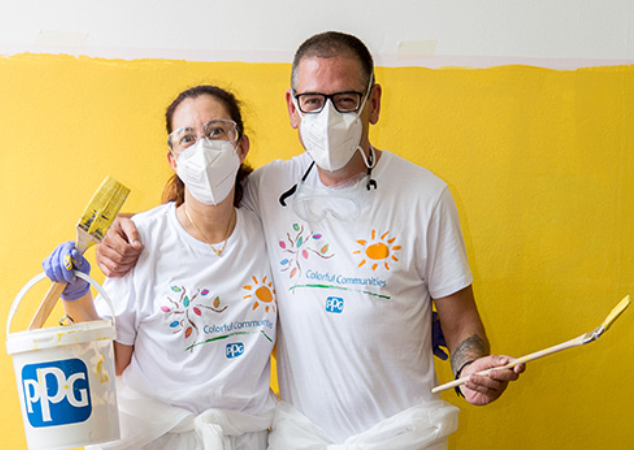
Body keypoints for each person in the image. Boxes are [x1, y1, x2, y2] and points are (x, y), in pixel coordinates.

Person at [97, 32, 525, 449]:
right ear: (293, 107)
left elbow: (461, 319)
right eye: (313, 101)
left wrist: (471, 365)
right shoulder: (271, 188)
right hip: (301, 437)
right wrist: (125, 229)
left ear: (373, 103)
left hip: (404, 436)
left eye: (344, 101)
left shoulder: (426, 197)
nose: (327, 117)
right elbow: (198, 209)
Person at [43, 85, 278, 450]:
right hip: (156, 439)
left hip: (248, 437)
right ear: (173, 159)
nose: (203, 147)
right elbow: (111, 363)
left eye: (216, 131)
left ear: (241, 145)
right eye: (187, 138)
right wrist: (77, 296)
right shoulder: (141, 242)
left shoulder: (268, 233)